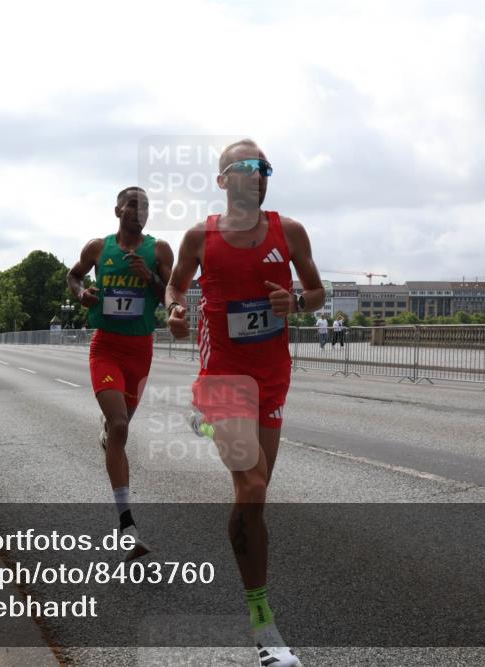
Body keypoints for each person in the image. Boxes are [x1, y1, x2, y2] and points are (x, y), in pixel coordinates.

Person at [166, 139, 324, 667]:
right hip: (224, 377)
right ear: (223, 180)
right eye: (250, 167)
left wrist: (297, 302)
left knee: (255, 501)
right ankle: (264, 629)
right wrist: (175, 313)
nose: (260, 175)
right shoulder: (198, 238)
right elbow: (175, 288)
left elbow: (317, 293)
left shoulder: (291, 232)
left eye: (266, 168)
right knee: (252, 484)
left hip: (273, 377)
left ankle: (206, 425)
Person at [67, 186, 174, 561]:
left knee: (119, 426)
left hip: (140, 350)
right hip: (107, 347)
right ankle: (127, 524)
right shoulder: (99, 248)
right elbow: (73, 275)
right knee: (121, 426)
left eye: (144, 206)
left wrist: (149, 277)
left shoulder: (159, 250)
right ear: (117, 210)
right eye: (132, 204)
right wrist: (81, 293)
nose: (138, 210)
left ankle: (109, 428)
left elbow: (169, 296)